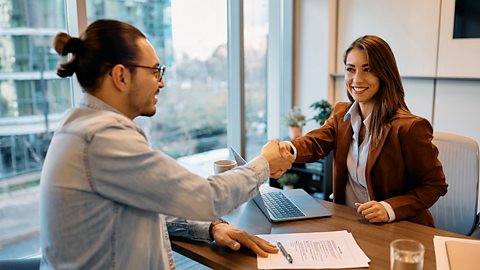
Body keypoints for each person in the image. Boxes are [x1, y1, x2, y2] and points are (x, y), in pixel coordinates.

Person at [40, 19, 294, 269]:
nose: (161, 82)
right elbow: (208, 197)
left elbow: (154, 198)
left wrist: (212, 226)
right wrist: (266, 163)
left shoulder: (80, 125)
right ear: (121, 76)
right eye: (154, 71)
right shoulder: (102, 138)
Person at [279, 35, 447, 227]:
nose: (357, 79)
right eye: (351, 69)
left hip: (399, 229)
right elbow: (315, 142)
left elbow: (435, 185)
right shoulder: (342, 114)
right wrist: (284, 149)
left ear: (384, 73)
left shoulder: (409, 128)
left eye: (368, 70)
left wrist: (388, 208)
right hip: (352, 223)